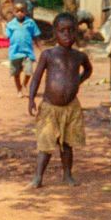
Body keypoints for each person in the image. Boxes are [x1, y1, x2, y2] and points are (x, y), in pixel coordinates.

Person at [28, 11, 91, 187]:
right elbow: (37, 78)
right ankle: (38, 177)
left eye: (71, 30)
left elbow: (88, 70)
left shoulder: (79, 56)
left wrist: (79, 80)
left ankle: (67, 175)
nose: (67, 34)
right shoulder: (48, 55)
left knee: (67, 144)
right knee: (46, 144)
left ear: (76, 33)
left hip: (70, 108)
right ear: (55, 32)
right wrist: (31, 98)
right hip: (50, 108)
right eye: (62, 30)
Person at [4, 0, 38, 95]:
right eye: (17, 11)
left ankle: (24, 84)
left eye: (22, 11)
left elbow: (36, 36)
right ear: (14, 12)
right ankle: (19, 89)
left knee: (28, 72)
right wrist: (3, 27)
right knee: (16, 73)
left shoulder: (30, 23)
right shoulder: (11, 25)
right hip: (15, 53)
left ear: (26, 12)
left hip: (27, 52)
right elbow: (6, 36)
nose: (20, 13)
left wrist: (40, 47)